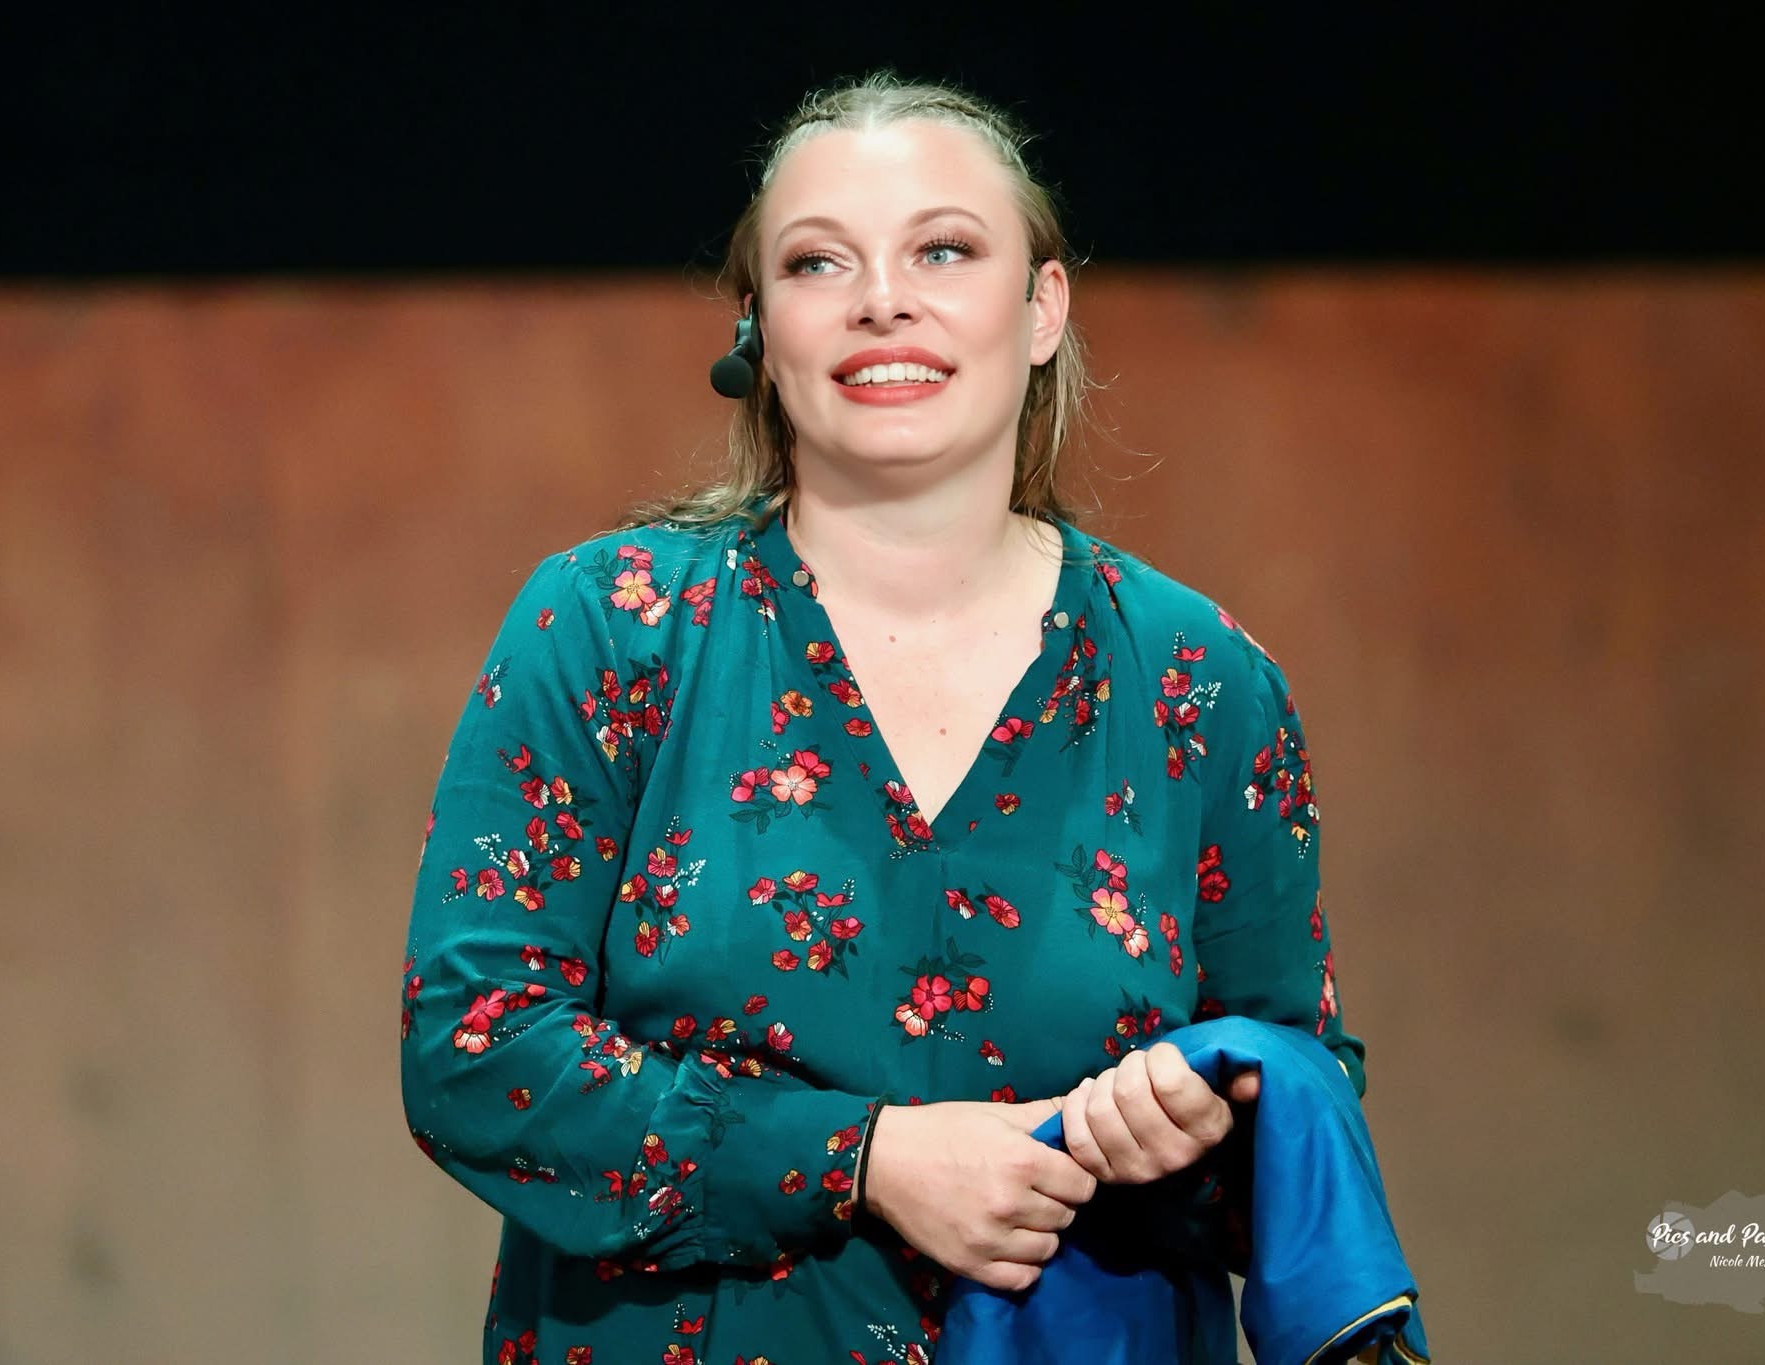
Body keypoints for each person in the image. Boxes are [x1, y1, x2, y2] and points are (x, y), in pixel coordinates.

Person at [400, 70, 1366, 1365]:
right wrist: (861, 1159)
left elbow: (1299, 1101)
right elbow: (473, 1049)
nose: (881, 300)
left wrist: (1194, 1130)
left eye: (944, 250)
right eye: (818, 262)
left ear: (1042, 307)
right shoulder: (612, 624)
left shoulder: (1202, 678)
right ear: (760, 326)